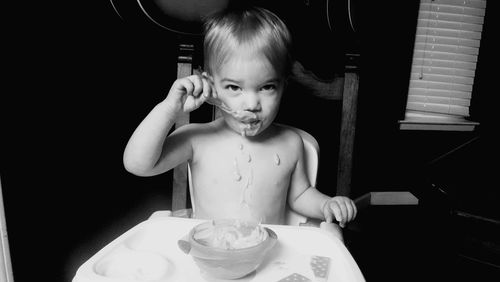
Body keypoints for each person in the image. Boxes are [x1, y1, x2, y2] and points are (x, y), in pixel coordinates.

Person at [123, 6, 356, 232]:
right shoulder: (197, 139)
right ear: (211, 86)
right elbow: (138, 164)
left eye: (267, 87)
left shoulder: (290, 143)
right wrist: (169, 109)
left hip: (269, 255)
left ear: (284, 86)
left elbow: (299, 196)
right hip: (212, 256)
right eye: (234, 87)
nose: (252, 104)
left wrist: (326, 204)